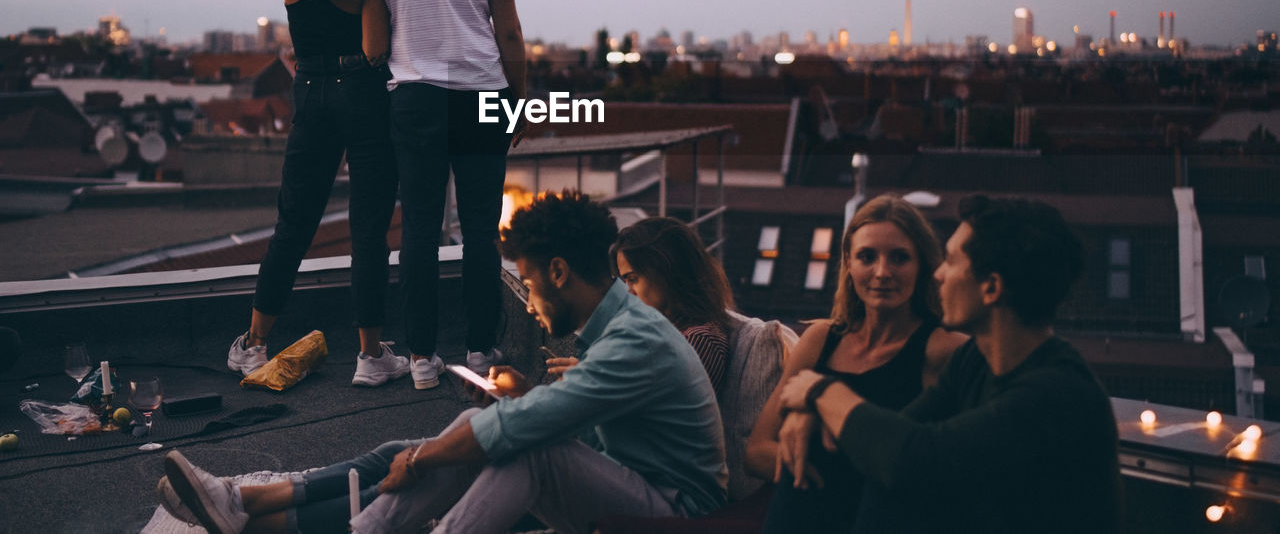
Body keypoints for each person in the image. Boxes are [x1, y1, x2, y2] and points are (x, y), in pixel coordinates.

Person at [159, 192, 727, 534]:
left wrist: (424, 459)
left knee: (521, 450)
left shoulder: (635, 340)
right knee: (487, 432)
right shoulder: (616, 328)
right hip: (636, 487)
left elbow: (532, 435)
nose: (526, 302)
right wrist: (517, 402)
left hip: (679, 515)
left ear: (559, 273)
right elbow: (578, 432)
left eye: (528, 283)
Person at [272, 0, 526, 390]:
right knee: (482, 231)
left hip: (415, 97)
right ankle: (483, 351)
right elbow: (509, 33)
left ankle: (420, 360)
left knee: (417, 229)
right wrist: (521, 102)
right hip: (484, 94)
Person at [778, 195, 1123, 534]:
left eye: (952, 261)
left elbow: (914, 460)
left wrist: (818, 389)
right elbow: (893, 433)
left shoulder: (1056, 396)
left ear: (991, 287)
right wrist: (815, 410)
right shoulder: (974, 361)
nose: (939, 274)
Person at [230, 0, 405, 387]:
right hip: (365, 91)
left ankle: (254, 344)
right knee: (369, 229)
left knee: (295, 221)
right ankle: (370, 356)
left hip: (308, 90)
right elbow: (376, 48)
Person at [744, 194, 965, 532]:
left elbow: (944, 466)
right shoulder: (820, 339)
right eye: (867, 256)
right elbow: (757, 449)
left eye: (899, 258)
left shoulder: (941, 349)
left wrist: (819, 431)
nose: (882, 272)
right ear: (848, 262)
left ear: (922, 265)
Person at [549, 216, 734, 392]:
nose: (629, 291)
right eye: (625, 281)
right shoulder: (662, 330)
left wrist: (591, 380)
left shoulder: (699, 340)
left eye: (633, 279)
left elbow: (652, 407)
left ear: (666, 271)